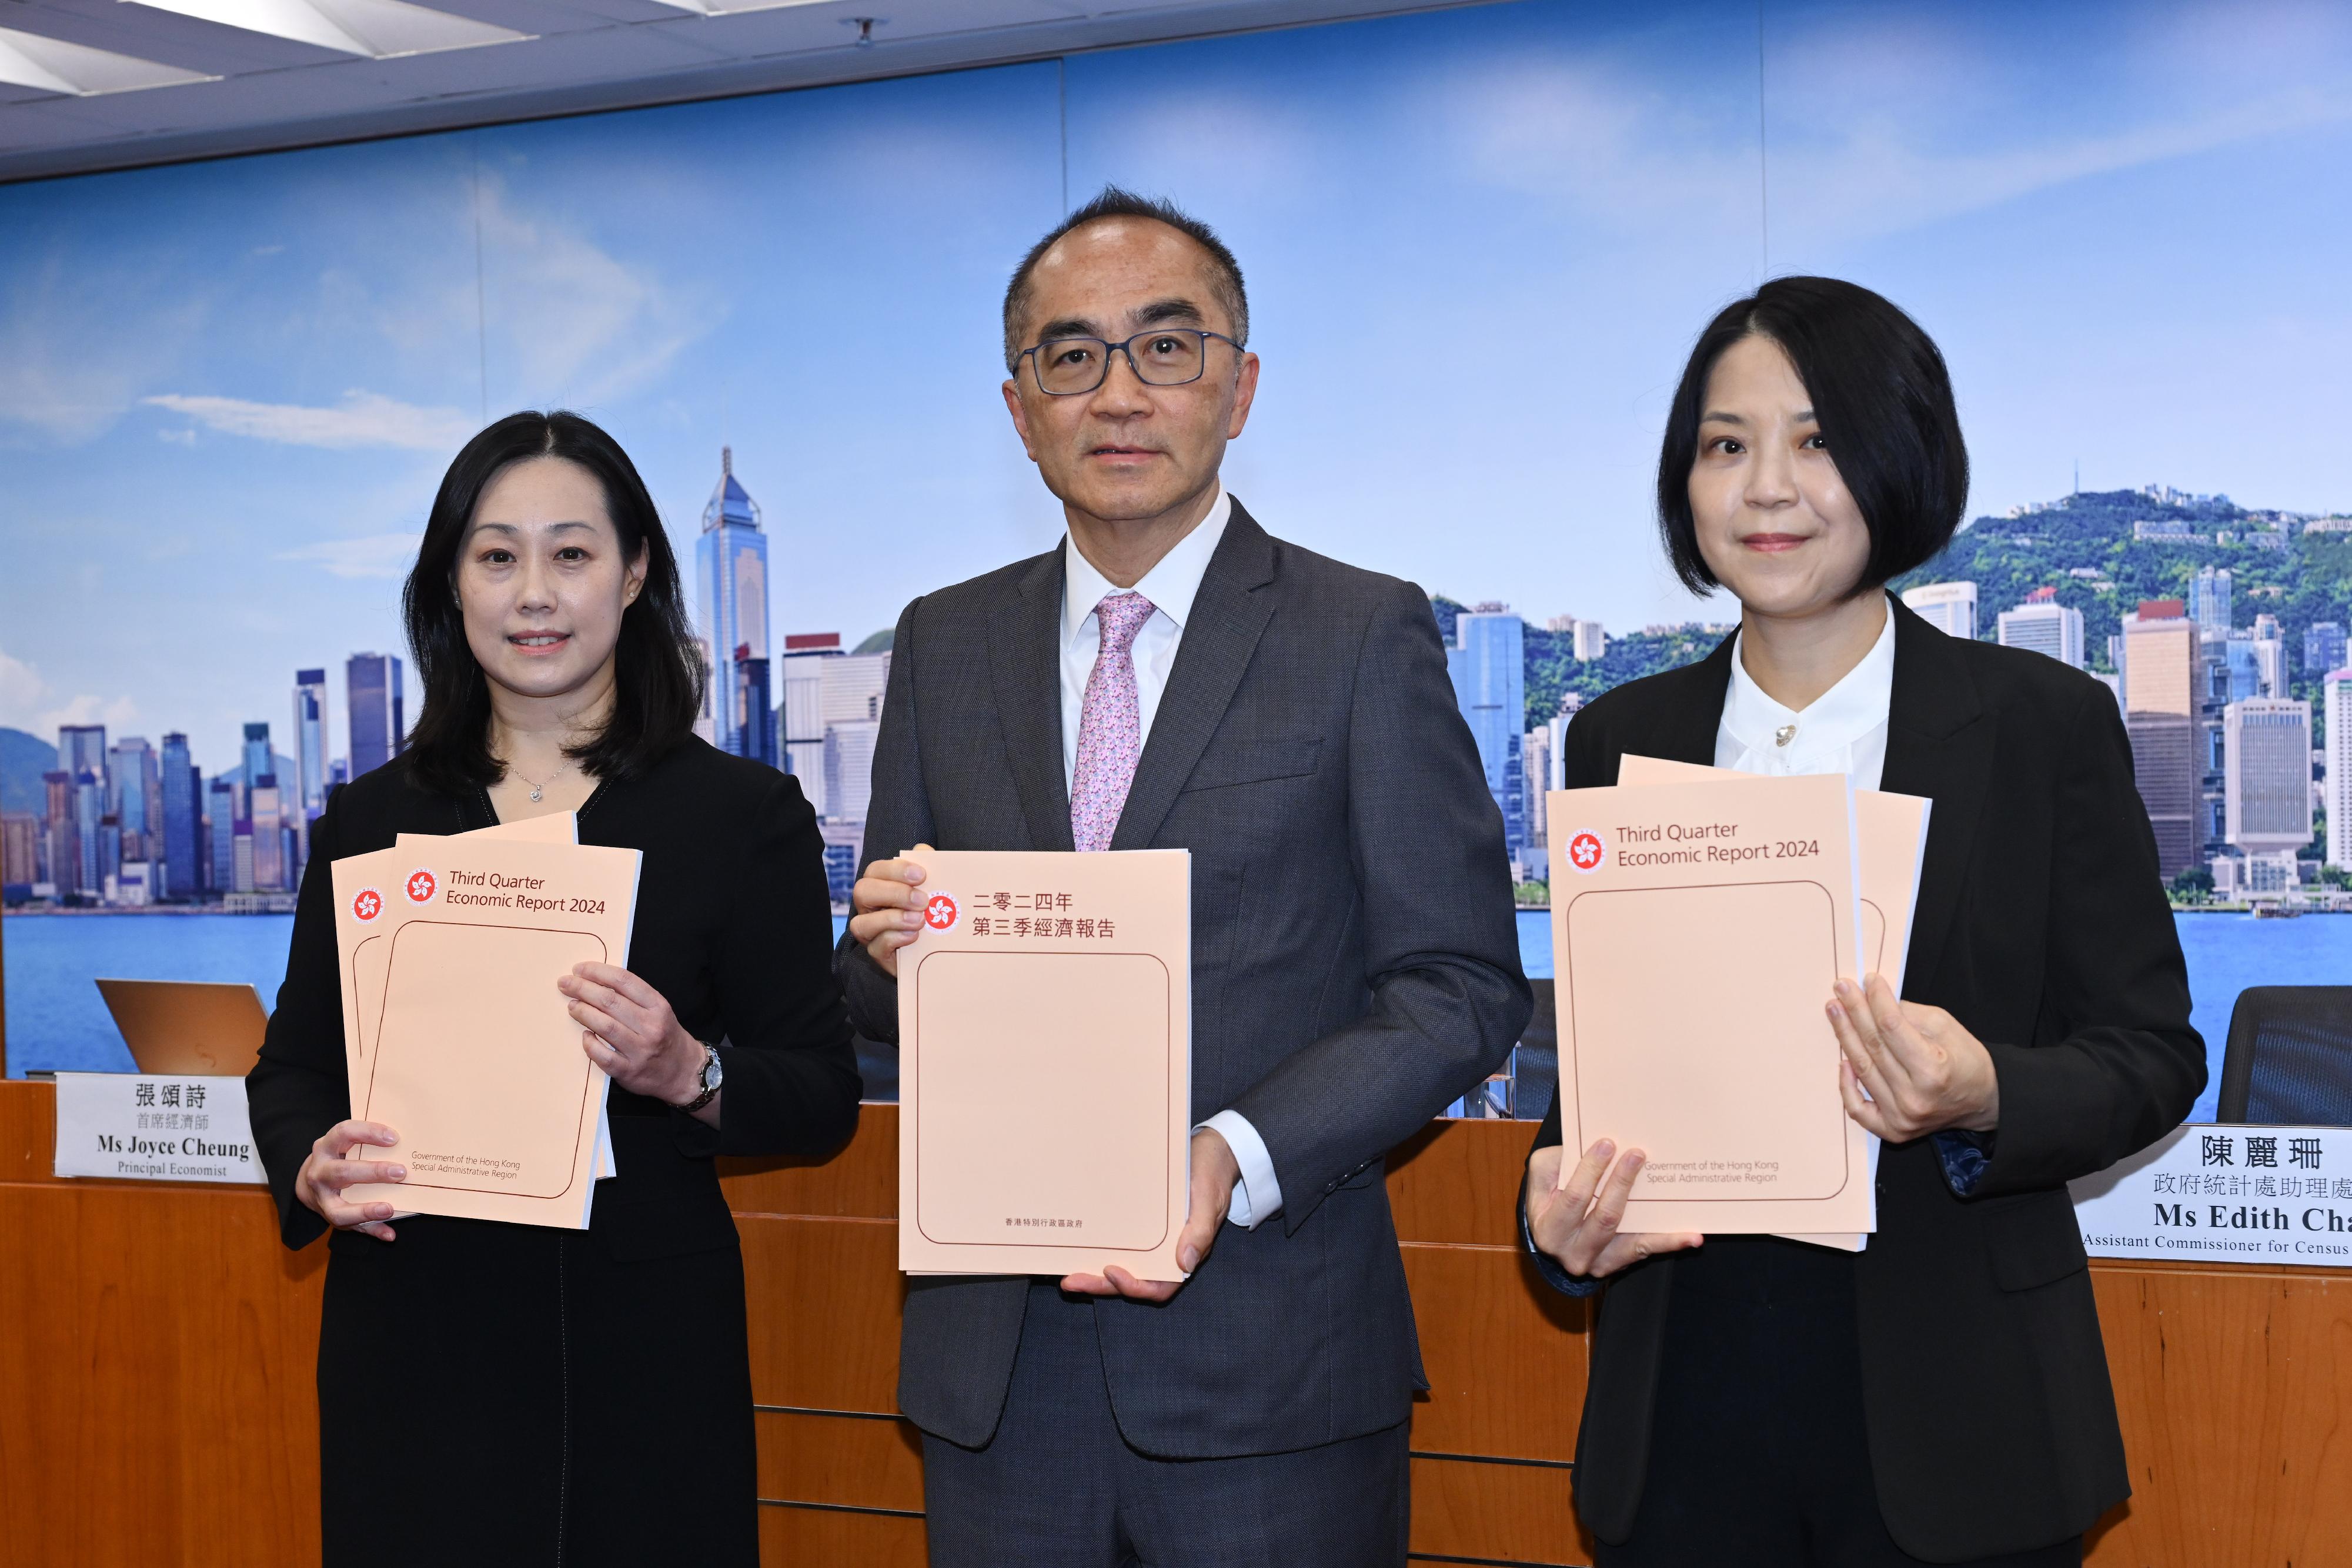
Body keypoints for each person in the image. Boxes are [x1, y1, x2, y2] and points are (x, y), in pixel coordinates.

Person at [838, 187, 1531, 1567]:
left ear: (1239, 383)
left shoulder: (1357, 630)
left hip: (1269, 1365)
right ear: (1018, 403)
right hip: (999, 1374)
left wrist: (1235, 1152)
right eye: (1070, 353)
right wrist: (880, 950)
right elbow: (877, 999)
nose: (1118, 393)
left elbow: (1457, 985)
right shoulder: (941, 642)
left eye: (1166, 346)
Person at [1520, 278, 2205, 1566]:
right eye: (1725, 444)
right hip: (1679, 1426)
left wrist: (1982, 1085)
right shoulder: (1619, 738)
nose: (1765, 487)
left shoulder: (2035, 723)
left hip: (1961, 1422)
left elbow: (2153, 1051)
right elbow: (1602, 1083)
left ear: (1900, 461)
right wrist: (1550, 1217)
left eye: (1816, 439)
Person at [246, 410, 861, 1565]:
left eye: (571, 553)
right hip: (412, 1329)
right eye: (497, 555)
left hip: (644, 1343)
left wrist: (691, 1069)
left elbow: (820, 1089)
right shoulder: (372, 817)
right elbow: (294, 1067)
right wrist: (311, 1160)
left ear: (633, 573)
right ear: (451, 583)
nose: (535, 591)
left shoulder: (740, 814)